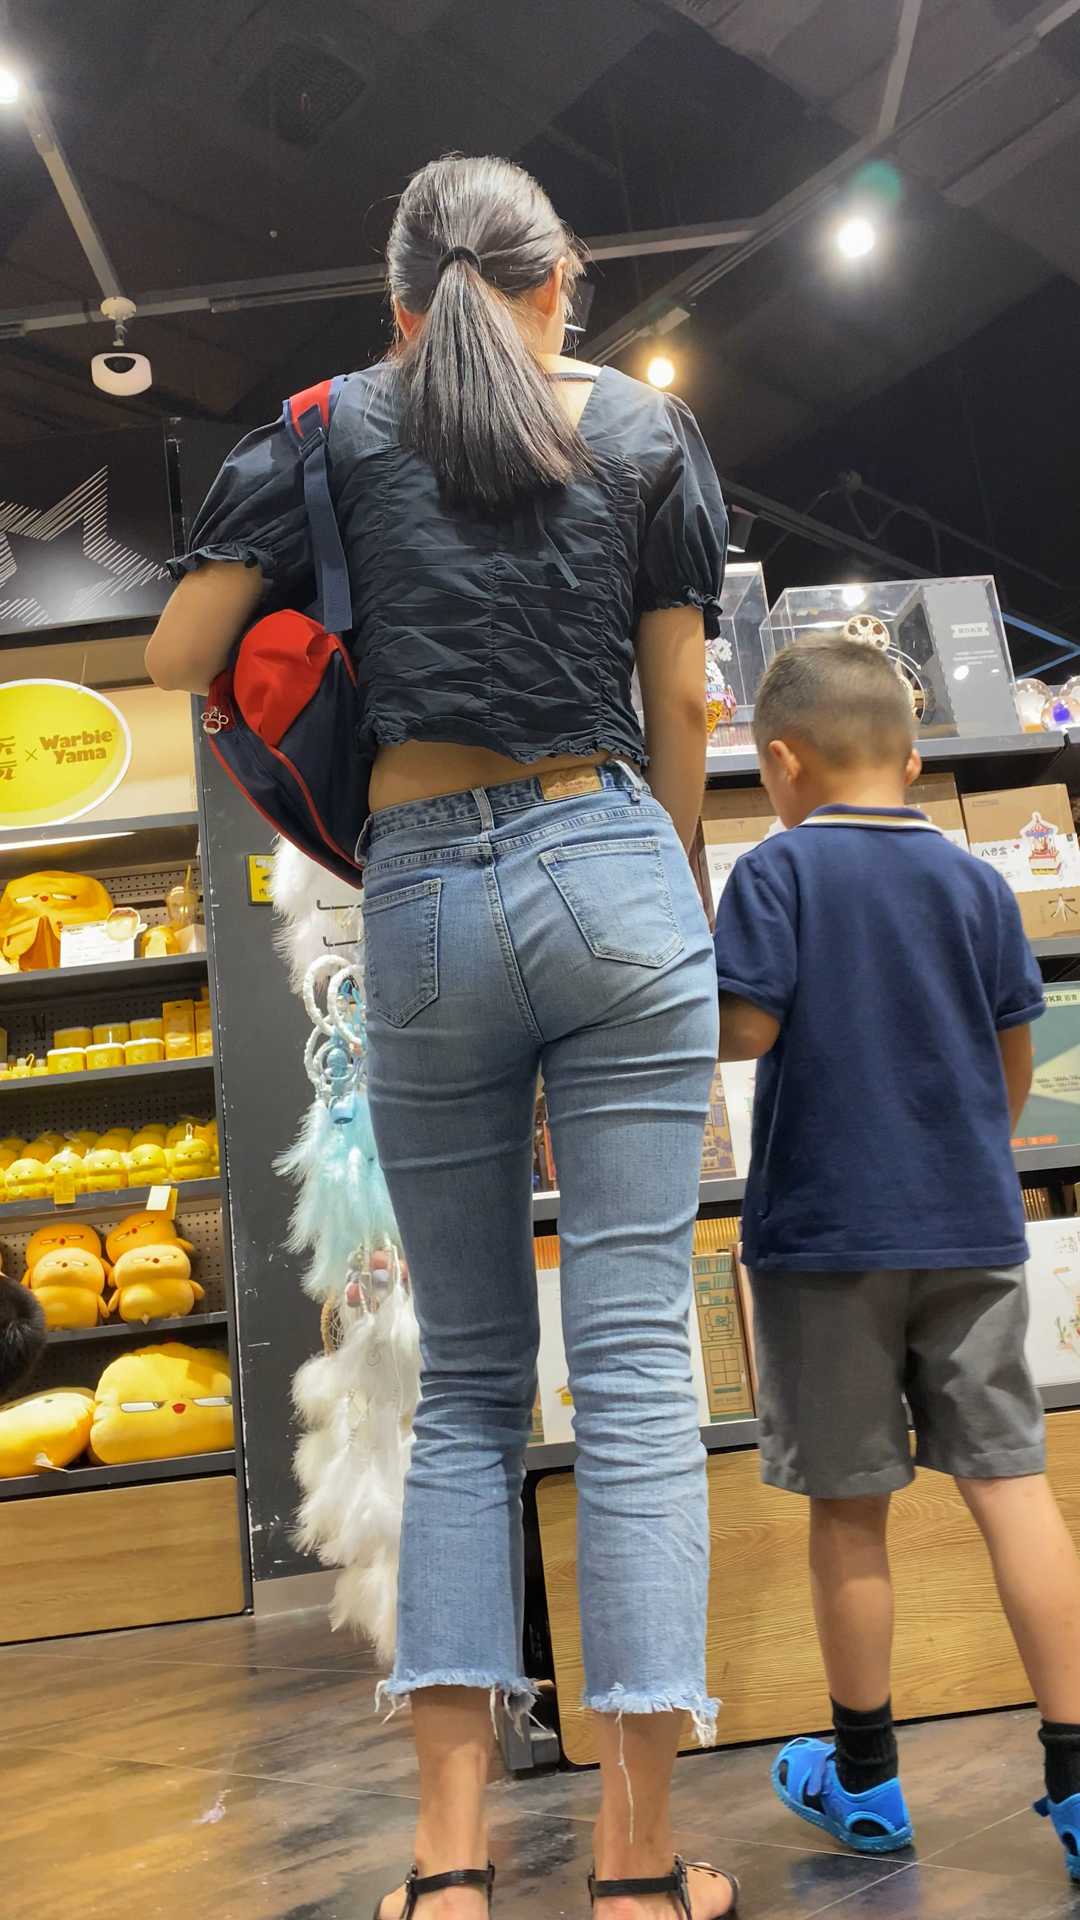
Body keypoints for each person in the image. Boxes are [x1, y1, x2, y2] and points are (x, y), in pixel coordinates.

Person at [147, 155, 738, 1920]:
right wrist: (660, 894)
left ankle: (449, 1870)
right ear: (562, 281)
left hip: (418, 895)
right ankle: (638, 1872)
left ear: (398, 302)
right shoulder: (643, 432)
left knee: (470, 1387)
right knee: (635, 1374)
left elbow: (183, 646)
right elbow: (682, 694)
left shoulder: (327, 429)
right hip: (613, 857)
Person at [712, 639, 1080, 1880]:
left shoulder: (774, 872)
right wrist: (964, 1148)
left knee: (851, 1510)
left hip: (826, 1236)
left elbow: (747, 1027)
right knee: (1013, 1487)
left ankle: (866, 1781)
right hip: (970, 1226)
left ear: (782, 763)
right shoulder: (976, 883)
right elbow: (1016, 1054)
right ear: (914, 761)